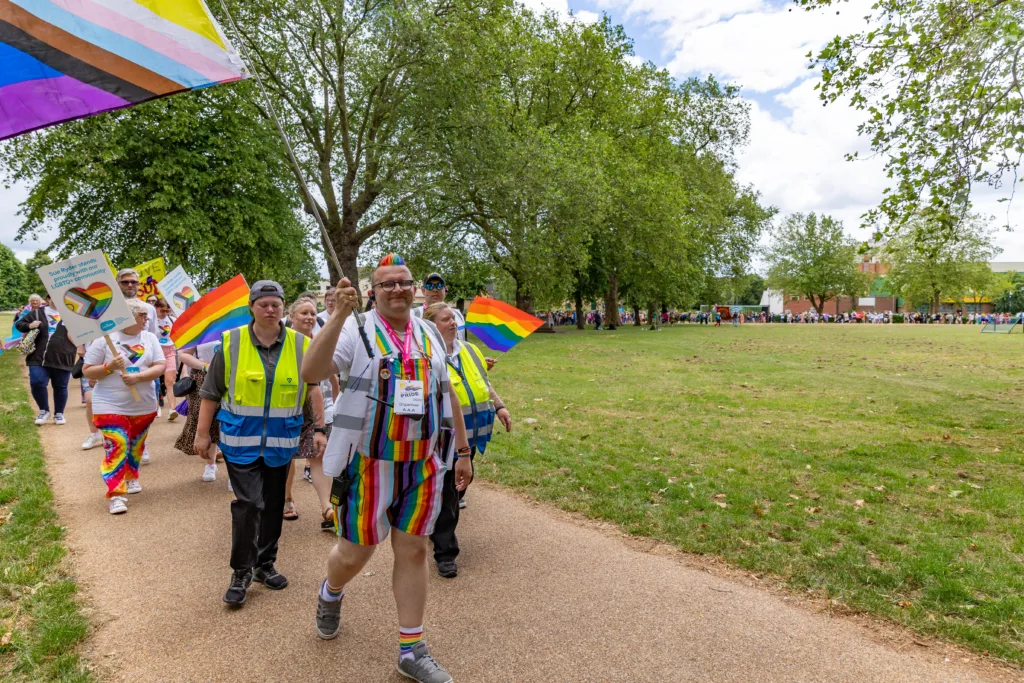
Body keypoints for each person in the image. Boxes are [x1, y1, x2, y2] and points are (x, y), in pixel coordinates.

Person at [302, 254, 472, 683]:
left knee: (414, 549)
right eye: (386, 284)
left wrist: (463, 449)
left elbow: (446, 391)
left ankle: (411, 648)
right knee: (355, 553)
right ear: (372, 292)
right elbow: (311, 371)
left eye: (404, 282)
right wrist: (339, 314)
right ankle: (331, 590)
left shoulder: (430, 331)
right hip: (368, 464)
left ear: (414, 289)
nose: (397, 289)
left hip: (423, 463)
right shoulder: (356, 330)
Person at [194, 280, 314, 607]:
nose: (270, 309)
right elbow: (210, 392)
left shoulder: (301, 345)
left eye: (275, 304)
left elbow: (312, 388)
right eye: (263, 304)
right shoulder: (231, 343)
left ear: (283, 307)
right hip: (239, 442)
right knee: (248, 504)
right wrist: (203, 434)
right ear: (252, 307)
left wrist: (318, 427)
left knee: (274, 505)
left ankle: (265, 563)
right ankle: (241, 571)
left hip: (281, 443)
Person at [423, 303, 511, 579]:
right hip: (441, 436)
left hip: (471, 434)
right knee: (450, 490)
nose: (452, 323)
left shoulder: (469, 350)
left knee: (458, 486)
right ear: (430, 326)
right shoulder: (424, 355)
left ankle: (435, 525)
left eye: (454, 319)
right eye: (445, 319)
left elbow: (484, 383)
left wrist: (500, 407)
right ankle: (445, 552)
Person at [81, 298, 165, 514]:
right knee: (118, 445)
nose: (147, 319)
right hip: (109, 404)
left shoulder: (150, 338)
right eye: (142, 315)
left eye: (147, 315)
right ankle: (116, 494)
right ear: (127, 317)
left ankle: (131, 475)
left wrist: (140, 377)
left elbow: (160, 365)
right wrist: (109, 367)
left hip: (142, 405)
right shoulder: (104, 339)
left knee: (135, 447)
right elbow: (88, 370)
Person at [281, 296, 331, 525]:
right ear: (291, 317)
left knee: (317, 454)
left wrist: (335, 401)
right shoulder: (282, 342)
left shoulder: (320, 341)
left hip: (317, 408)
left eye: (313, 313)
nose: (310, 317)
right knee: (287, 458)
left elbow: (331, 376)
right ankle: (287, 499)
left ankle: (327, 509)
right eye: (304, 313)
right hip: (288, 409)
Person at [17, 293, 78, 426]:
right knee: (37, 382)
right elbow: (19, 324)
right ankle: (43, 410)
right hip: (38, 357)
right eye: (53, 297)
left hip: (63, 356)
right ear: (48, 299)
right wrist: (29, 325)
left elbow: (86, 332)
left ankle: (59, 414)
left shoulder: (73, 315)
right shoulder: (38, 313)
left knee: (60, 386)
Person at [173, 341, 227, 486]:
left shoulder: (235, 326)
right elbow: (183, 354)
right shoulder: (202, 331)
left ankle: (235, 472)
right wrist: (205, 366)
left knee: (232, 421)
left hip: (232, 376)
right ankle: (210, 464)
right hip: (203, 377)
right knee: (207, 422)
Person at [412, 273, 465, 341]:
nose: (435, 290)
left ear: (446, 289)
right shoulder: (413, 315)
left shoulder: (457, 315)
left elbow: (463, 342)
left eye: (439, 285)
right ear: (423, 290)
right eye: (430, 286)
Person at [154, 298, 179, 420]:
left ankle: (172, 409)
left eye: (167, 310)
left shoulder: (172, 320)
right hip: (155, 353)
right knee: (154, 383)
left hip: (169, 351)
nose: (164, 313)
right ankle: (156, 407)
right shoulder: (151, 321)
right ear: (156, 308)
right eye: (162, 310)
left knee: (169, 381)